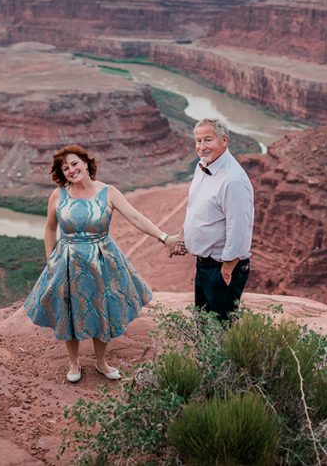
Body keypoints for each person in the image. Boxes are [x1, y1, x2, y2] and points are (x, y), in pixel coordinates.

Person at [24, 144, 177, 383]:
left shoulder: (109, 192)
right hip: (68, 259)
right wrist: (51, 260)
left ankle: (101, 361)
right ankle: (74, 362)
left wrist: (164, 237)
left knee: (103, 309)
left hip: (102, 259)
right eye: (65, 168)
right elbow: (50, 228)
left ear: (85, 163)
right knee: (69, 310)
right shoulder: (58, 195)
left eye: (74, 164)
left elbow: (135, 217)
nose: (71, 170)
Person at [176, 118, 254, 321]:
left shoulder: (232, 180)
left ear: (224, 140)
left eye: (208, 140)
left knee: (221, 329)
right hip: (204, 265)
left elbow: (239, 229)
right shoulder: (202, 166)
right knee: (203, 325)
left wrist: (226, 271)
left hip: (222, 267)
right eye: (198, 141)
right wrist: (184, 237)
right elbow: (195, 207)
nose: (201, 147)